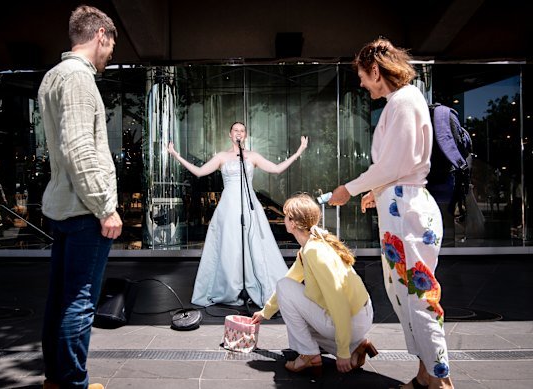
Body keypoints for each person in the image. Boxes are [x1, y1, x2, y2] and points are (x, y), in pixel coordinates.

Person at [328, 38, 453, 388]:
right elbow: (398, 165)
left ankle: (441, 380)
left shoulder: (404, 101)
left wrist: (349, 189)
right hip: (401, 207)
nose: (362, 83)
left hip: (407, 212)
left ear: (376, 69)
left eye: (363, 77)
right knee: (405, 296)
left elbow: (396, 163)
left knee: (418, 297)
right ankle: (426, 373)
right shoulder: (401, 102)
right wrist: (376, 191)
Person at [37, 5, 122, 389]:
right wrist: (106, 207)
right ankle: (74, 383)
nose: (109, 56)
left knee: (60, 298)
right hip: (85, 211)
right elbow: (79, 150)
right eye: (111, 46)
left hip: (65, 208)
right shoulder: (77, 79)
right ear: (101, 34)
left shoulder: (53, 77)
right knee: (79, 302)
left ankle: (56, 380)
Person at [167, 122, 308, 307]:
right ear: (229, 134)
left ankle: (258, 286)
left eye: (242, 131)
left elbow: (276, 169)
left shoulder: (252, 156)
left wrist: (299, 152)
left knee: (256, 245)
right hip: (229, 206)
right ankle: (230, 287)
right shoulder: (222, 157)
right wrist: (176, 155)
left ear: (246, 136)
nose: (239, 133)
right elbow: (200, 172)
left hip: (249, 205)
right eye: (235, 130)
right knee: (230, 246)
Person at [251, 193, 377, 374]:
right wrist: (265, 312)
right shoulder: (313, 244)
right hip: (359, 315)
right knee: (295, 307)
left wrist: (341, 354)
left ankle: (309, 355)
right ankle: (356, 347)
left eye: (286, 216)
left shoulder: (314, 252)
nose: (283, 219)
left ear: (293, 223)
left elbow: (338, 299)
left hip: (351, 319)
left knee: (284, 289)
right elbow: (292, 278)